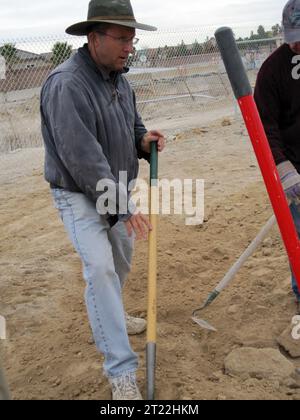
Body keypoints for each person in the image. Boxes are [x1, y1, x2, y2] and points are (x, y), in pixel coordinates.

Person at [40, 0, 165, 400]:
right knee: (100, 269)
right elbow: (82, 157)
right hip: (80, 194)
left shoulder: (119, 79)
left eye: (133, 38)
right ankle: (121, 372)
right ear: (94, 38)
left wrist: (144, 141)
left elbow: (133, 127)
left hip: (116, 189)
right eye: (123, 38)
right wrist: (121, 205)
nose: (130, 47)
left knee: (119, 264)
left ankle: (110, 311)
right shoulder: (67, 84)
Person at [254, 0, 300, 313]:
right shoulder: (272, 71)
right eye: (293, 36)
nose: (298, 43)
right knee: (297, 234)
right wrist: (284, 170)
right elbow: (264, 126)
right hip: (293, 166)